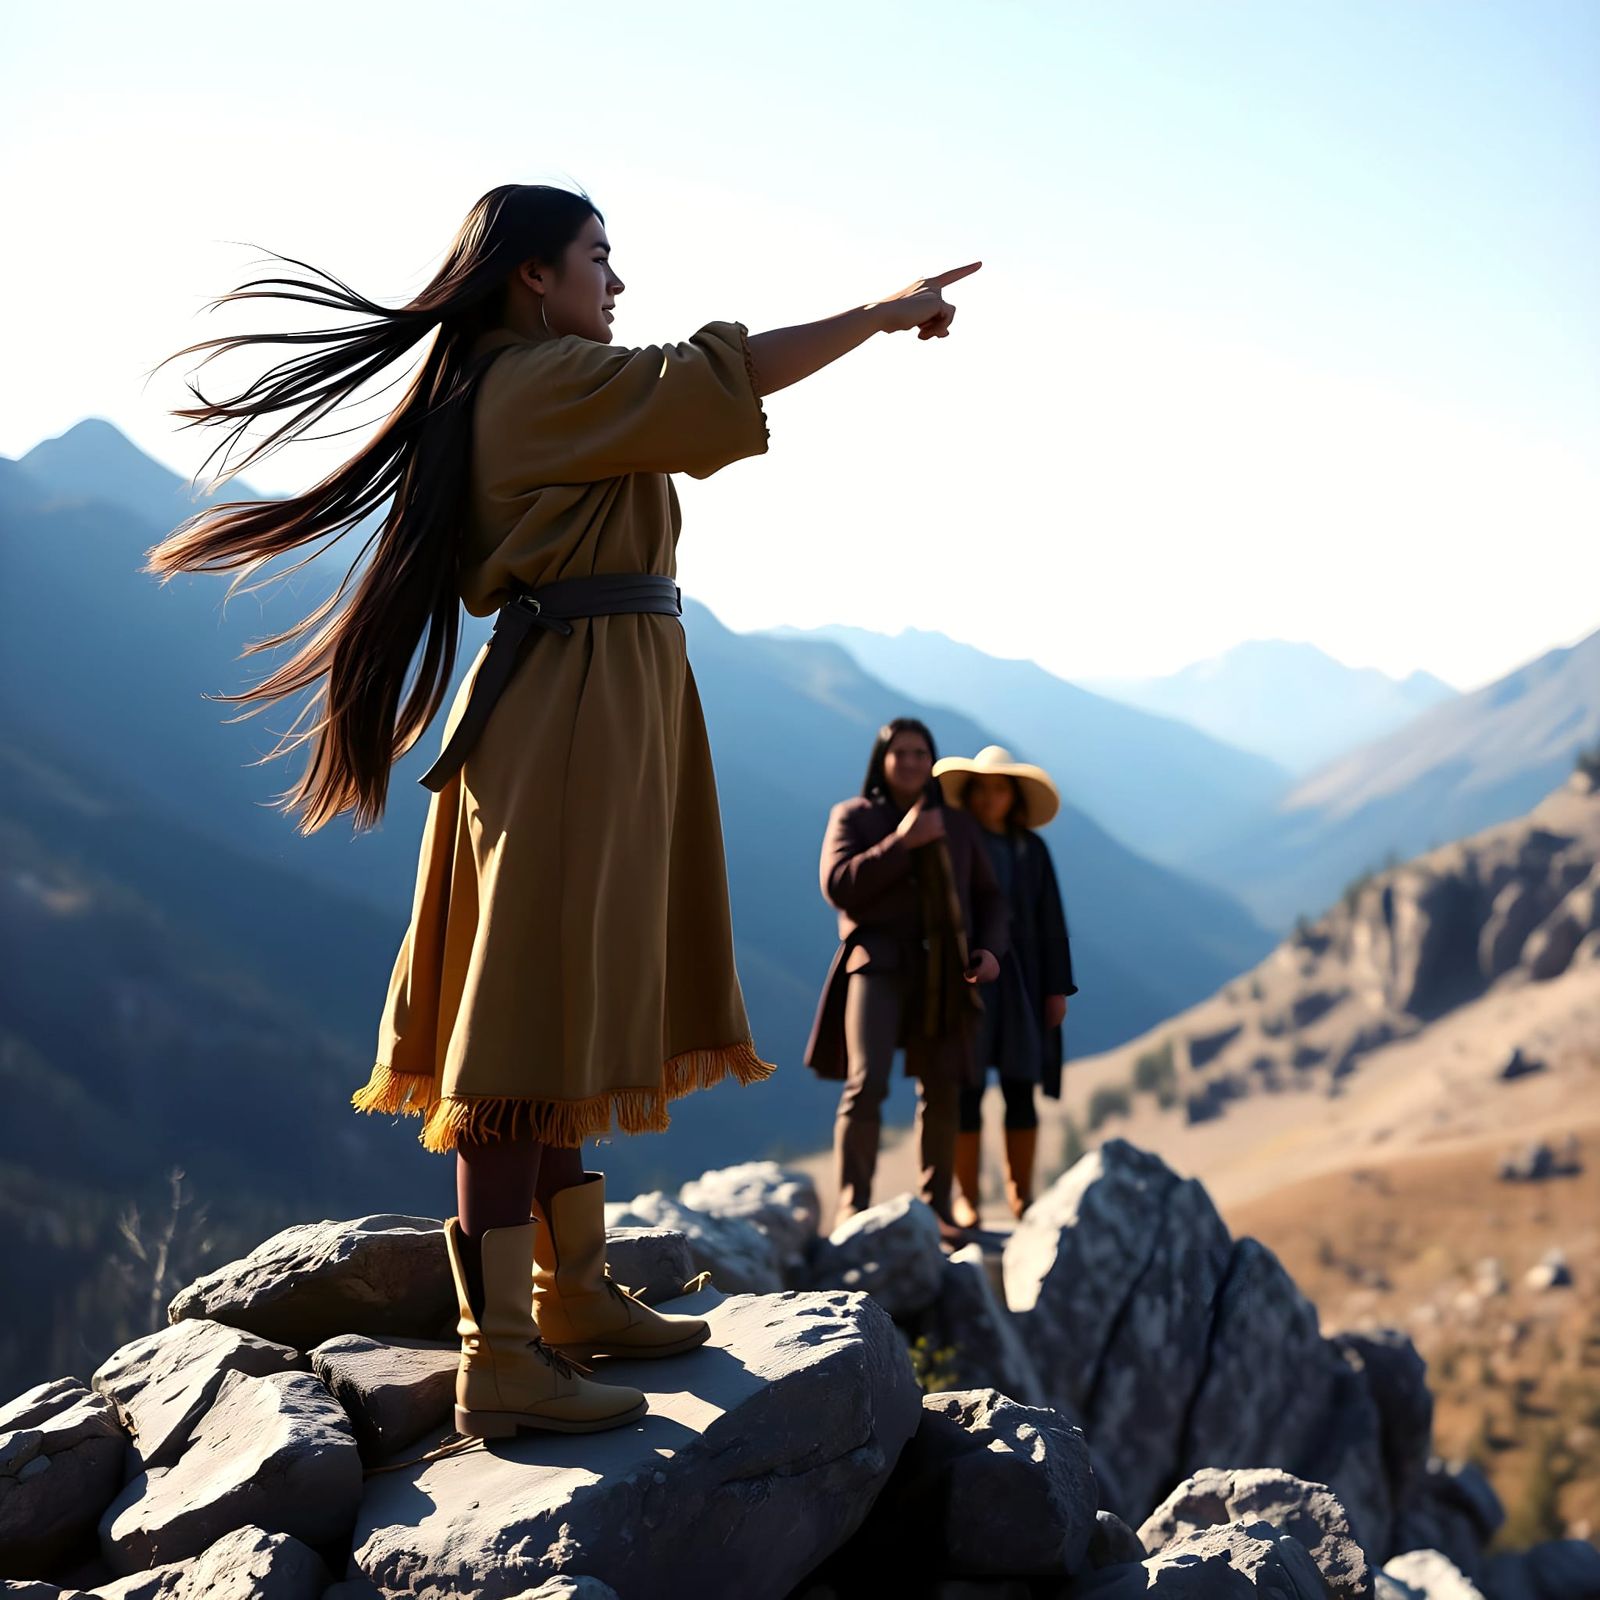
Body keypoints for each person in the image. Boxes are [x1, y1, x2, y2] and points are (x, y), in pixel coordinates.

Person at [145, 183, 981, 1437]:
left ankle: (570, 1291)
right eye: (599, 256)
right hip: (568, 727)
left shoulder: (537, 383)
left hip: (592, 715)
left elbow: (687, 393)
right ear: (533, 276)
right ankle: (502, 1355)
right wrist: (876, 313)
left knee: (556, 1005)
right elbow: (715, 377)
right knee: (523, 1024)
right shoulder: (533, 380)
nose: (617, 282)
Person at [805, 718, 1008, 1245]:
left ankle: (937, 1209)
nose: (913, 761)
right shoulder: (854, 816)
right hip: (876, 962)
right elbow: (838, 885)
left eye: (922, 753)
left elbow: (990, 897)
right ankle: (852, 1208)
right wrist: (902, 842)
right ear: (882, 760)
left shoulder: (956, 824)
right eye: (902, 752)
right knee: (866, 1083)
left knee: (942, 1085)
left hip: (943, 969)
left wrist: (990, 951)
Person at [933, 746, 1076, 1222]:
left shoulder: (1031, 850)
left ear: (1012, 796)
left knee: (1020, 1085)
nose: (989, 798)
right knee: (967, 1086)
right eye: (981, 789)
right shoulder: (955, 845)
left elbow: (1052, 921)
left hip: (1025, 981)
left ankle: (1021, 1195)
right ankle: (967, 1198)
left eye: (998, 789)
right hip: (969, 977)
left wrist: (1057, 989)